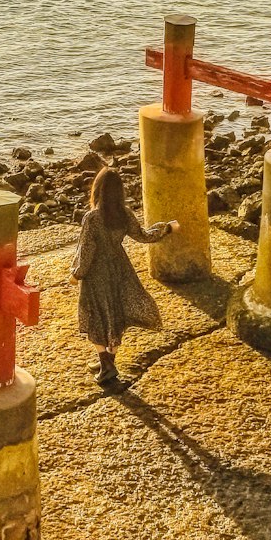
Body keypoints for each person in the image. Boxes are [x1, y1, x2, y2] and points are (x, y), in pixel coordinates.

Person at [72, 165, 175, 388]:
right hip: (120, 268)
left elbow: (86, 250)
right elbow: (144, 236)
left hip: (96, 273)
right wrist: (166, 228)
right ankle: (108, 361)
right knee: (115, 314)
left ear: (97, 190)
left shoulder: (92, 218)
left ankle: (106, 365)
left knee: (96, 315)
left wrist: (77, 274)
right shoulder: (124, 213)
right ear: (120, 192)